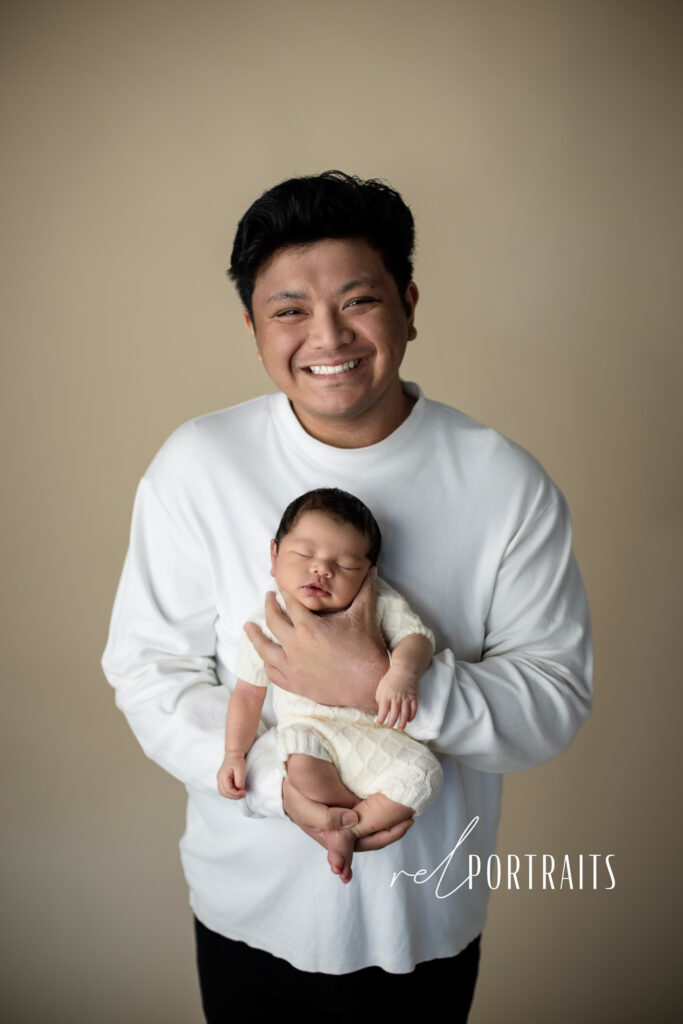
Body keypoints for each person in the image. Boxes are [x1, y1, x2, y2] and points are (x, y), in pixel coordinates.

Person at [102, 171, 593, 1022]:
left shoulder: (502, 482)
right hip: (246, 908)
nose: (325, 335)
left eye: (358, 300)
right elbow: (147, 671)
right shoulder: (198, 464)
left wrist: (376, 681)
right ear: (253, 329)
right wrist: (270, 779)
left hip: (425, 915)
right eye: (288, 309)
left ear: (406, 304)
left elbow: (553, 702)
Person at [217, 487, 443, 885]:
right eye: (305, 555)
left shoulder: (377, 604)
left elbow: (417, 639)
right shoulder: (269, 624)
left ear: (370, 574)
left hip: (376, 737)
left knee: (425, 774)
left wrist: (402, 673)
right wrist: (234, 753)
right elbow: (248, 694)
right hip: (312, 737)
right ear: (274, 555)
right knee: (299, 761)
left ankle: (350, 829)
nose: (322, 570)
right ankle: (330, 820)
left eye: (347, 565)